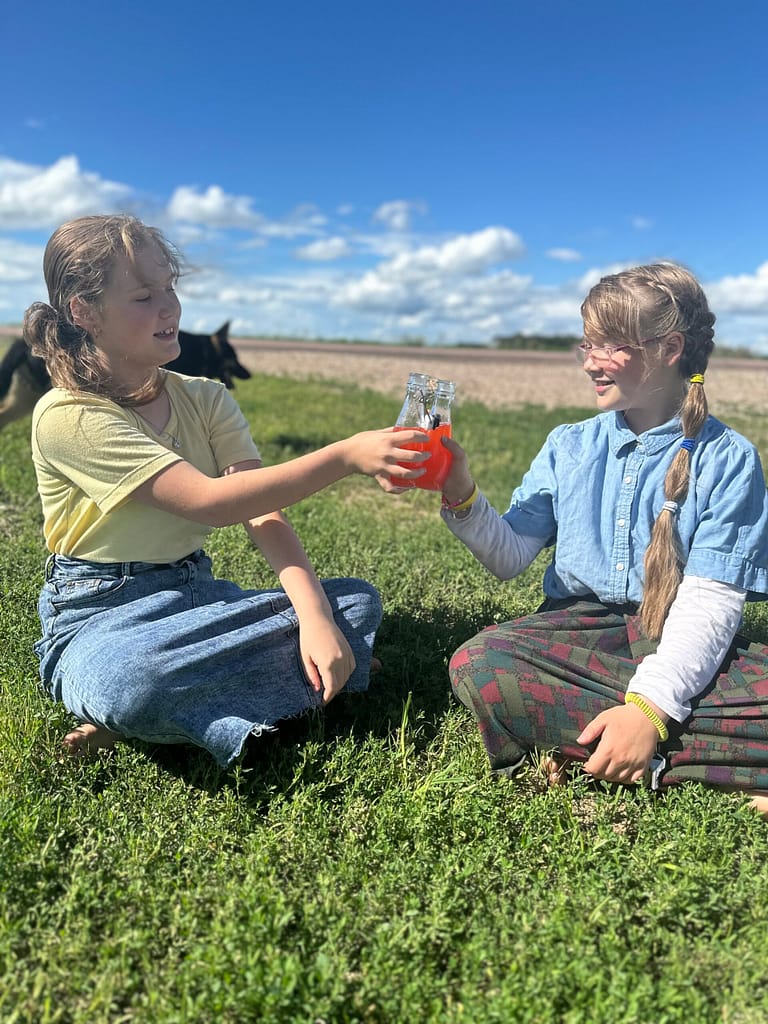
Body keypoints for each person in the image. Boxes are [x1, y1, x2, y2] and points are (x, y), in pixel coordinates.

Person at [25, 214, 429, 767]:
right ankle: (164, 702)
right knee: (131, 680)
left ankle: (175, 710)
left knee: (353, 603)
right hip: (99, 610)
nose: (170, 308)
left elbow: (262, 511)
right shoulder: (68, 414)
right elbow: (209, 502)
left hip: (197, 595)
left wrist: (314, 617)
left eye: (171, 288)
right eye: (144, 295)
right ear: (84, 313)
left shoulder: (207, 397)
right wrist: (343, 456)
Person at [438, 263, 768, 815]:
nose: (590, 360)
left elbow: (709, 606)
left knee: (673, 683)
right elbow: (510, 555)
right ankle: (689, 760)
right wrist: (459, 491)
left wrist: (649, 707)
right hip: (577, 634)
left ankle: (598, 744)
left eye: (611, 344)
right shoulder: (568, 446)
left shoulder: (728, 459)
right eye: (586, 343)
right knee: (482, 662)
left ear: (669, 348)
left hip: (678, 633)